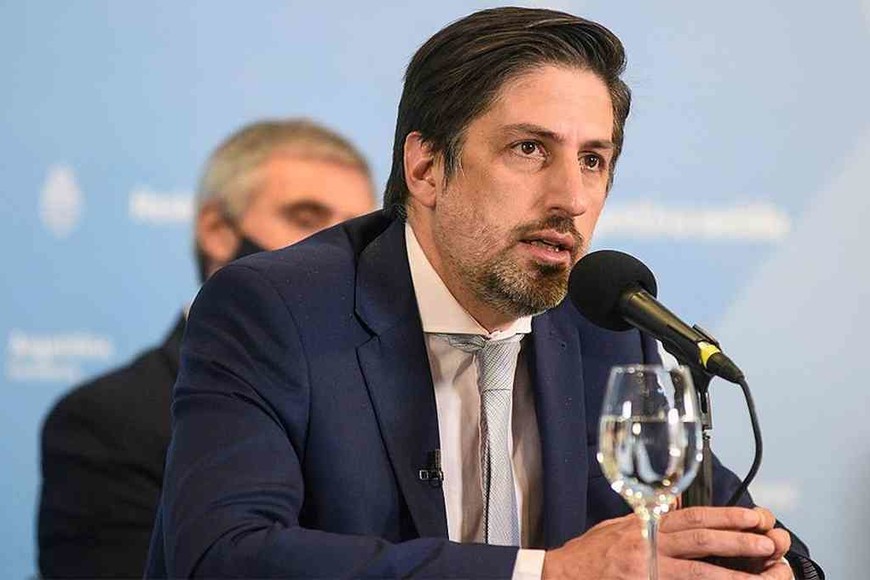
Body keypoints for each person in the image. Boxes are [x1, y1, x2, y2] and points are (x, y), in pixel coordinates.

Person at [146, 8, 822, 579]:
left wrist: (781, 570)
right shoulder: (276, 310)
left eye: (593, 159)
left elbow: (741, 533)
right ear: (426, 168)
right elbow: (222, 556)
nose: (571, 198)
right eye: (529, 149)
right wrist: (548, 572)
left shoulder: (607, 327)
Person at [37, 119, 376, 579]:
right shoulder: (105, 422)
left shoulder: (392, 400)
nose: (338, 250)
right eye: (306, 218)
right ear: (216, 230)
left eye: (356, 229)